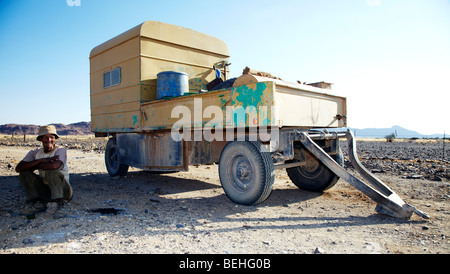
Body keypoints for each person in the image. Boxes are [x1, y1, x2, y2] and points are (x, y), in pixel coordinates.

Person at [15, 125, 72, 215]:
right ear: (41, 139)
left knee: (51, 171)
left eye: (51, 137)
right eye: (46, 137)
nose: (49, 140)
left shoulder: (60, 150)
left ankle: (57, 201)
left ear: (55, 139)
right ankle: (34, 200)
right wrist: (41, 160)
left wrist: (35, 165)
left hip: (63, 190)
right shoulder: (35, 152)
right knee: (24, 173)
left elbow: (55, 166)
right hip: (46, 190)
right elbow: (19, 168)